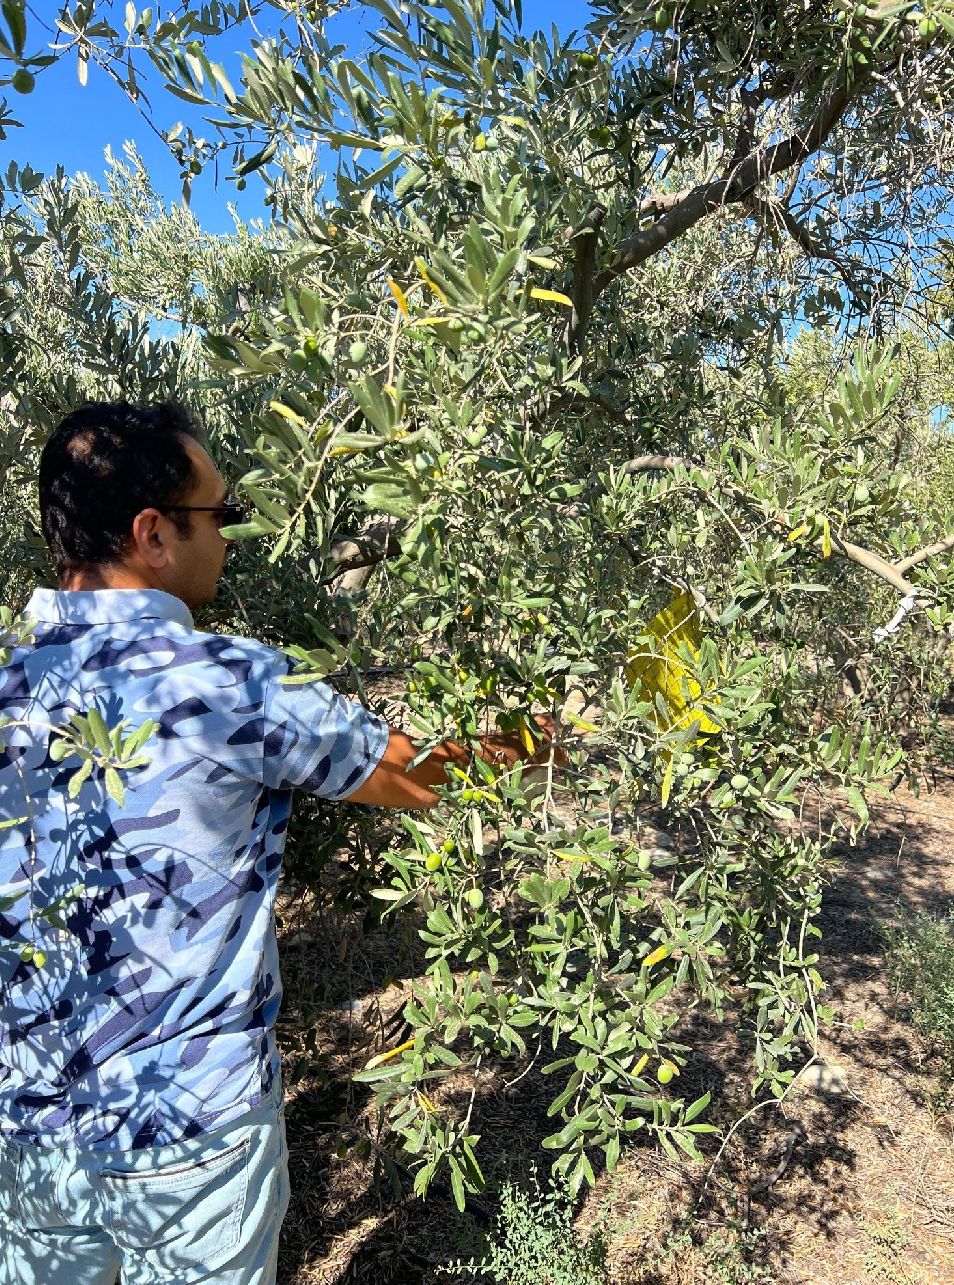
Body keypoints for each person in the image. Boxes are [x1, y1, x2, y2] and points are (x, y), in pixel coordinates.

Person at [0, 401, 557, 1285]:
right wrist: (537, 743)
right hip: (191, 1137)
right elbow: (416, 775)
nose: (232, 535)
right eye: (220, 513)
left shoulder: (8, 681)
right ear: (153, 533)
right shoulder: (229, 682)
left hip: (27, 1133)